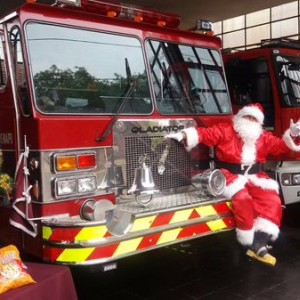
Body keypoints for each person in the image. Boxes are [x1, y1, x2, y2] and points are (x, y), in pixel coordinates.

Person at [165, 103, 300, 266]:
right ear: (240, 117)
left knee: (273, 201)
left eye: (253, 118)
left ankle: (259, 242)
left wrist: (292, 134)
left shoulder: (263, 136)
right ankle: (249, 241)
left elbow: (281, 147)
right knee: (242, 199)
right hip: (230, 175)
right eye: (247, 117)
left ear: (258, 122)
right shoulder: (226, 130)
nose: (249, 120)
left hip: (255, 176)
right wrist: (184, 135)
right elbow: (206, 134)